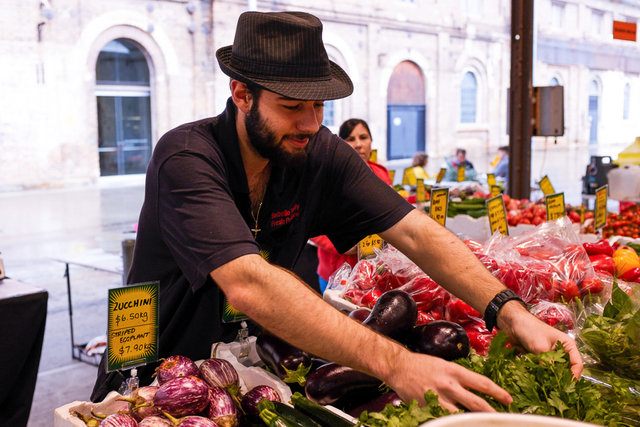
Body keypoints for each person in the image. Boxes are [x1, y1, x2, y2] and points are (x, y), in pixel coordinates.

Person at [91, 11, 582, 412]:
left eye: (320, 105)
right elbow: (248, 282)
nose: (310, 123)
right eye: (291, 106)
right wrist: (395, 364)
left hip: (245, 378)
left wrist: (508, 310)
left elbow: (415, 232)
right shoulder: (187, 156)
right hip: (154, 382)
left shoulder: (315, 150)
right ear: (242, 95)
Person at [310, 118, 391, 293]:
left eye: (363, 137)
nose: (359, 144)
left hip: (375, 270)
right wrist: (344, 246)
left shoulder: (381, 174)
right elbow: (310, 222)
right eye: (350, 139)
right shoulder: (325, 177)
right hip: (336, 270)